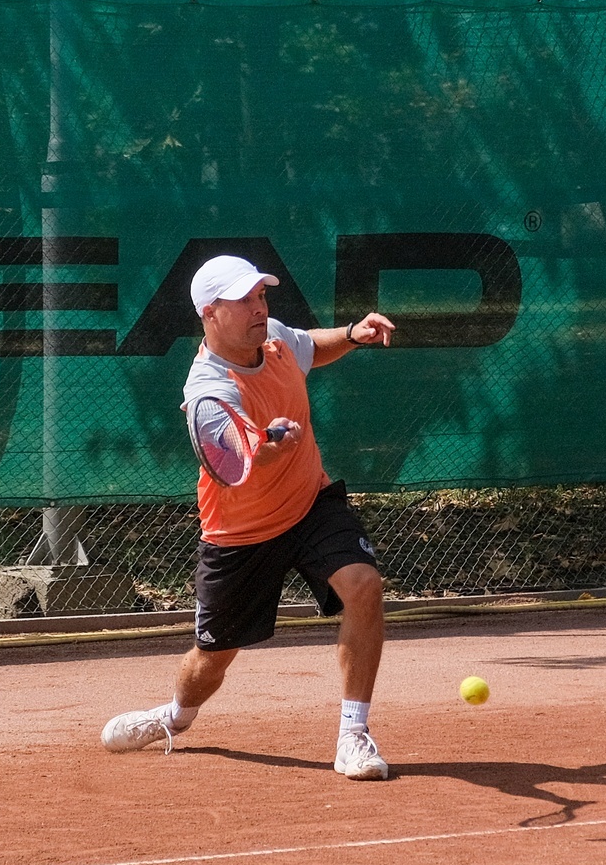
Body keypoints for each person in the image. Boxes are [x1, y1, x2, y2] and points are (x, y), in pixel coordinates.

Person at [101, 255, 397, 780]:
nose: (260, 308)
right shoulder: (207, 389)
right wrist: (266, 448)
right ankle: (174, 716)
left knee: (363, 585)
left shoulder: (274, 338)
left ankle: (353, 735)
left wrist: (353, 334)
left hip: (309, 503)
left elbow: (309, 346)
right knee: (212, 658)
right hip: (241, 532)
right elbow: (233, 461)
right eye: (245, 300)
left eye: (261, 296)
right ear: (210, 313)